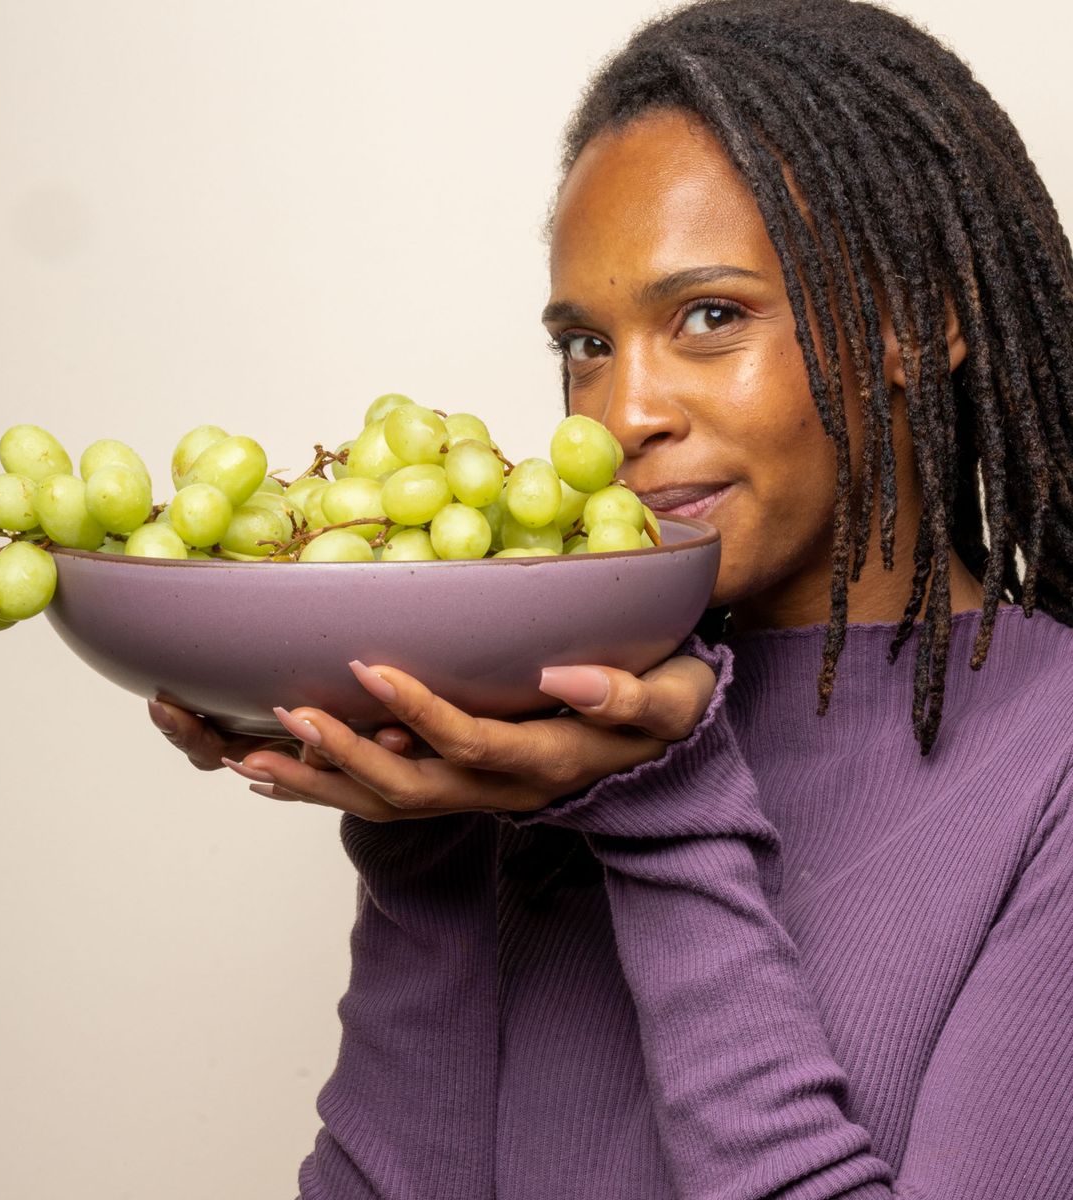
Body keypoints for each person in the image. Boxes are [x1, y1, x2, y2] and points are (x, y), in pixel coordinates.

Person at [148, 0, 1073, 1195]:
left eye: (711, 317)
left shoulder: (1048, 767)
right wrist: (423, 848)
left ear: (918, 317)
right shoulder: (549, 734)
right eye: (586, 344)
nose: (622, 415)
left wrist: (668, 811)